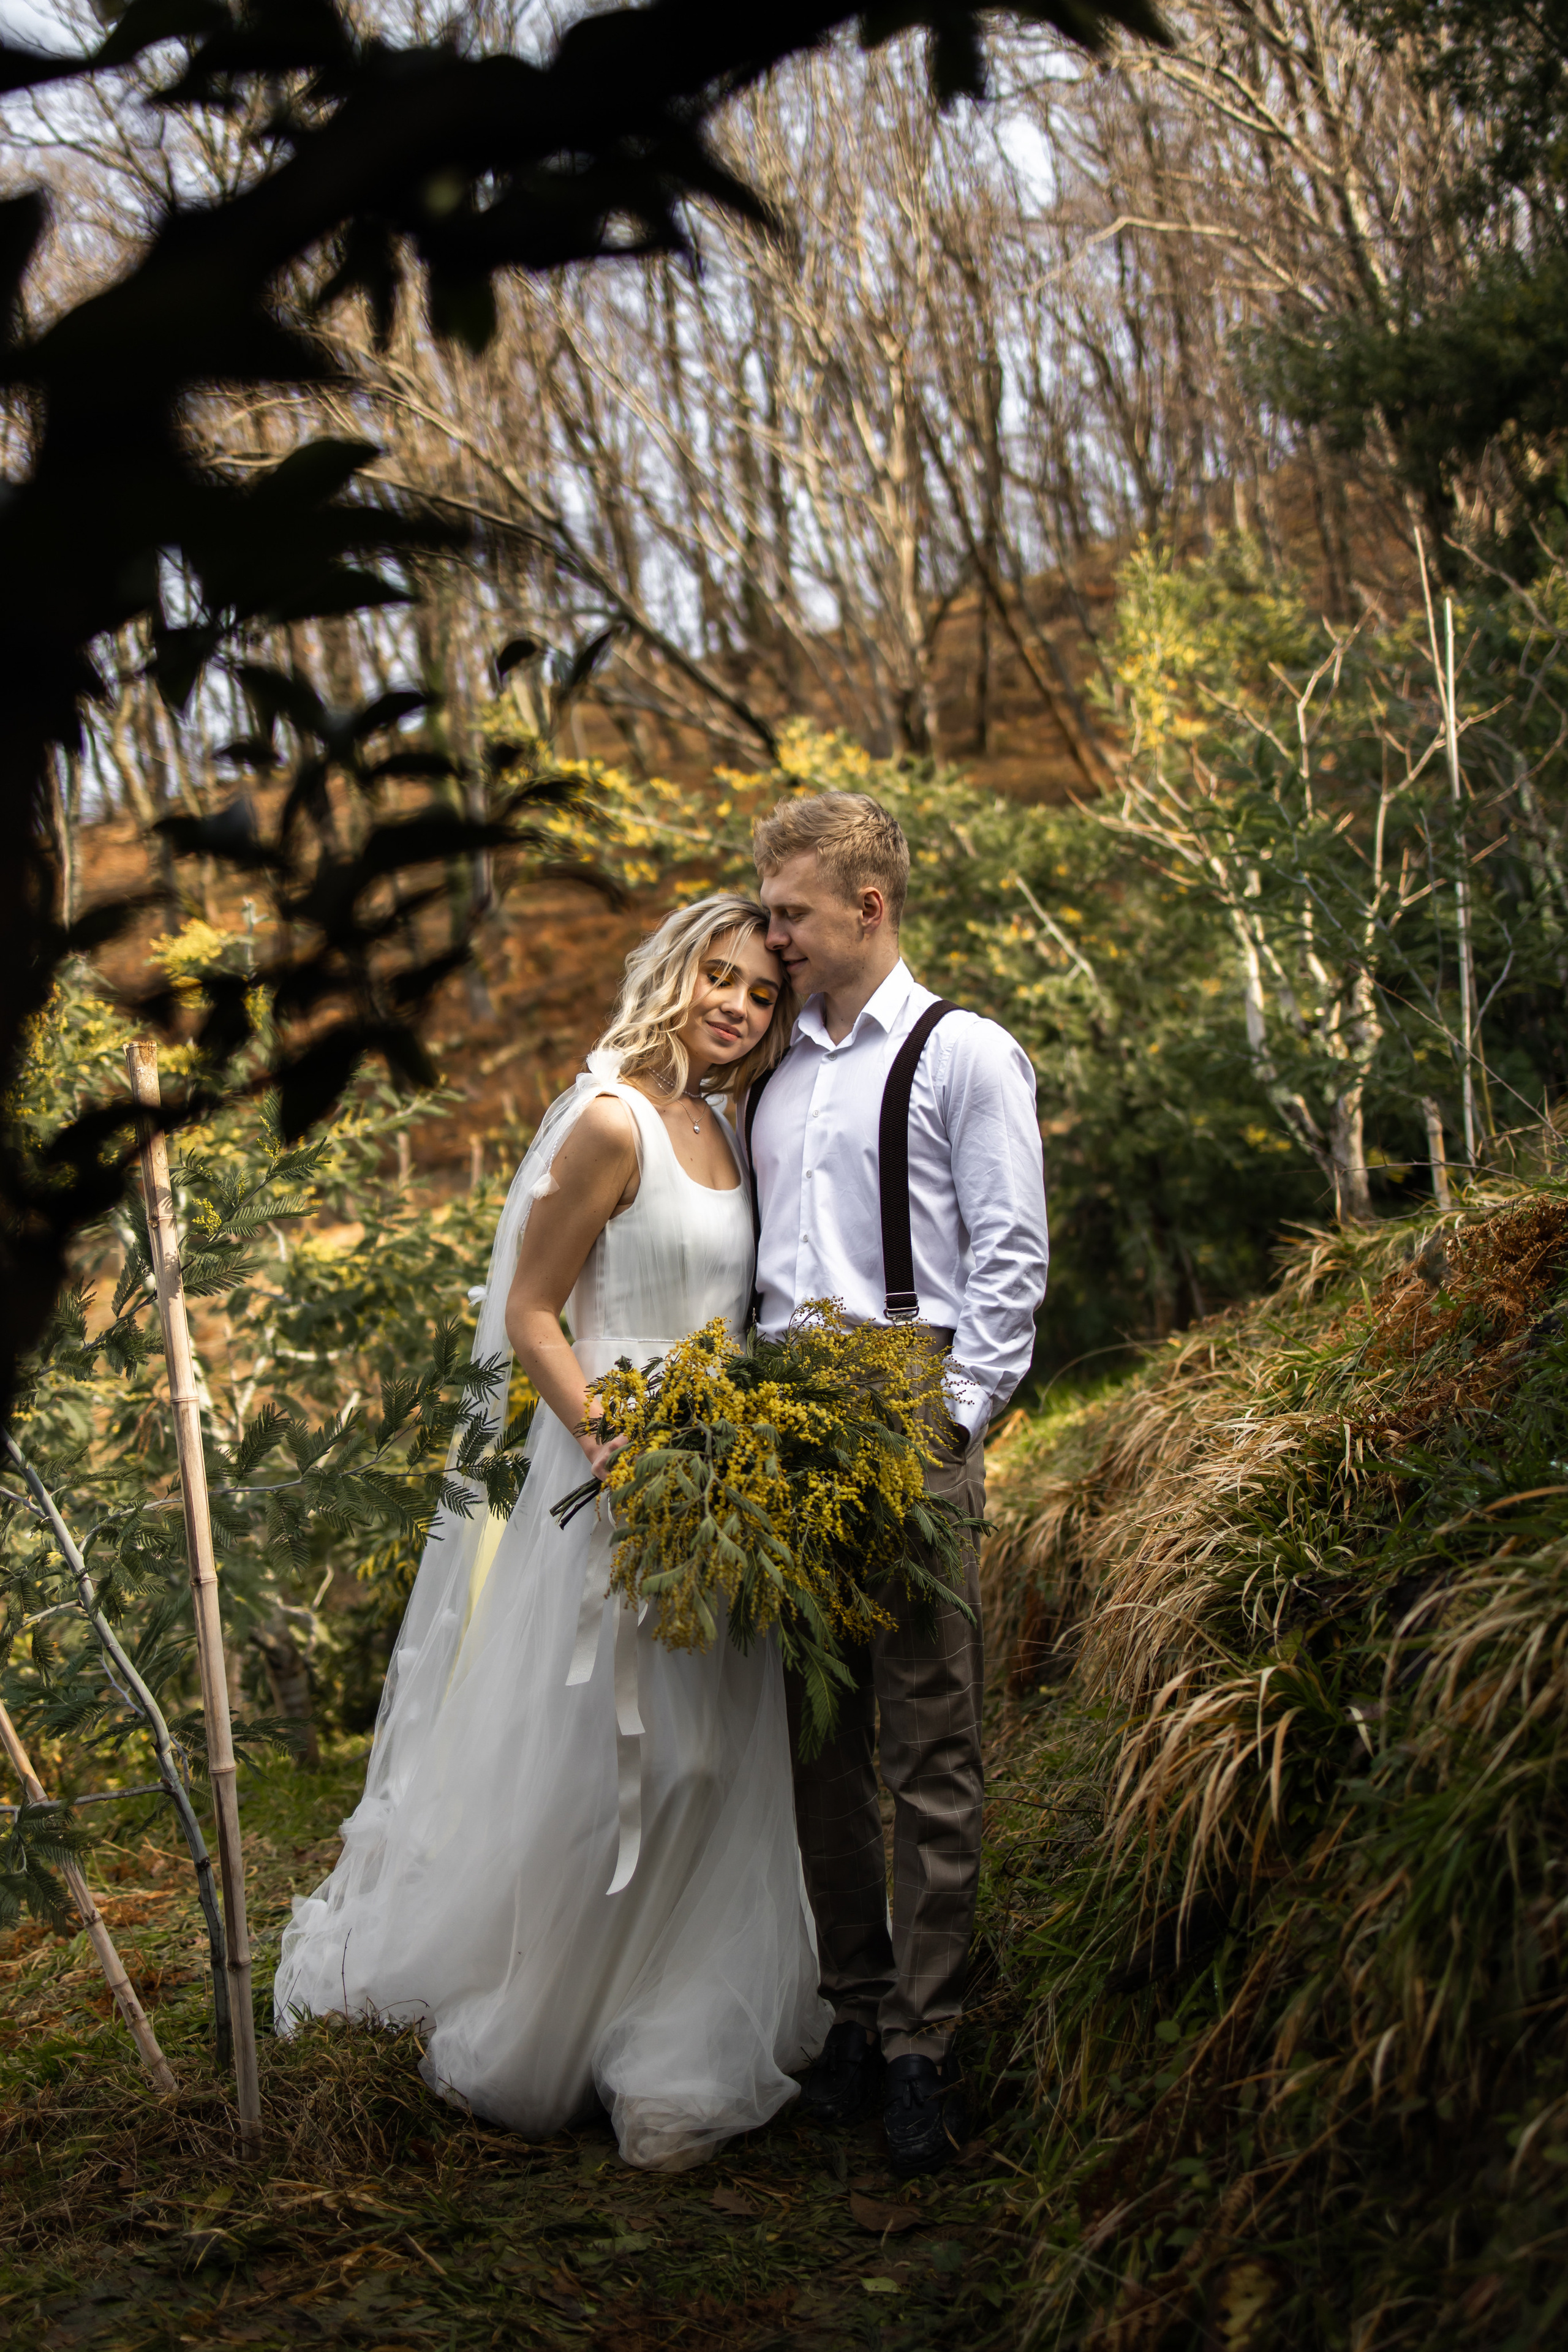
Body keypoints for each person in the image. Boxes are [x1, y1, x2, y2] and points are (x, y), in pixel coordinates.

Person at [274, 895, 831, 2171]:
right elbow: (530, 1311)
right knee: (616, 1763)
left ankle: (673, 2013)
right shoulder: (608, 1121)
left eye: (758, 990)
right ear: (671, 976)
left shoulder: (731, 1129)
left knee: (712, 1762)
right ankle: (548, 2020)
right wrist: (609, 1439)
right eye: (717, 977)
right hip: (611, 1474)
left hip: (717, 1486)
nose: (737, 1005)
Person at [746, 792, 1049, 2177]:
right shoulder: (772, 1068)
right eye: (766, 912)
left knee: (929, 1743)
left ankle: (926, 2041)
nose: (772, 936)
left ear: (867, 908)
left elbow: (1008, 1257)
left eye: (792, 913)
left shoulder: (963, 1052)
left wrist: (956, 1423)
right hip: (781, 1421)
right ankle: (856, 2014)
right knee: (817, 1749)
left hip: (915, 1404)